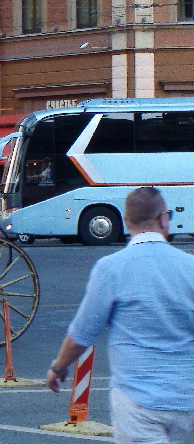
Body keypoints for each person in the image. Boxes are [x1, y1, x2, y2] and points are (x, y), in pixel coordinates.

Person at [46, 187, 194, 443]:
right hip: (186, 399)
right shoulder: (190, 266)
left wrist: (58, 367)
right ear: (163, 218)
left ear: (126, 221)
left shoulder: (111, 268)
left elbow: (83, 332)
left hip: (137, 400)